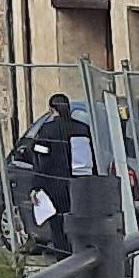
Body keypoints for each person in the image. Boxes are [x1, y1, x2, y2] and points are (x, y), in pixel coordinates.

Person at [7, 94, 91, 257]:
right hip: (80, 184)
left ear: (52, 110)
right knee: (80, 224)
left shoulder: (47, 130)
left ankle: (64, 260)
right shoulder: (82, 129)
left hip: (54, 185)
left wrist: (36, 187)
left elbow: (40, 161)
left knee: (58, 226)